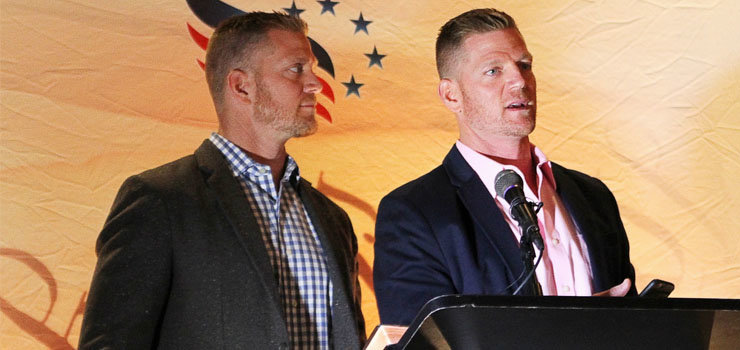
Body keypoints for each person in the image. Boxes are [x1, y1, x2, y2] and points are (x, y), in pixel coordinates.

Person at [79, 11, 365, 349]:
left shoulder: (332, 218)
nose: (315, 83)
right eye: (296, 69)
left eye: (312, 69)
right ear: (242, 86)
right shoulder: (159, 200)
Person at [373, 8, 637, 326]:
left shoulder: (594, 197)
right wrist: (571, 332)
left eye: (524, 65)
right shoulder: (415, 214)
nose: (519, 81)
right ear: (451, 95)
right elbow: (422, 343)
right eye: (493, 71)